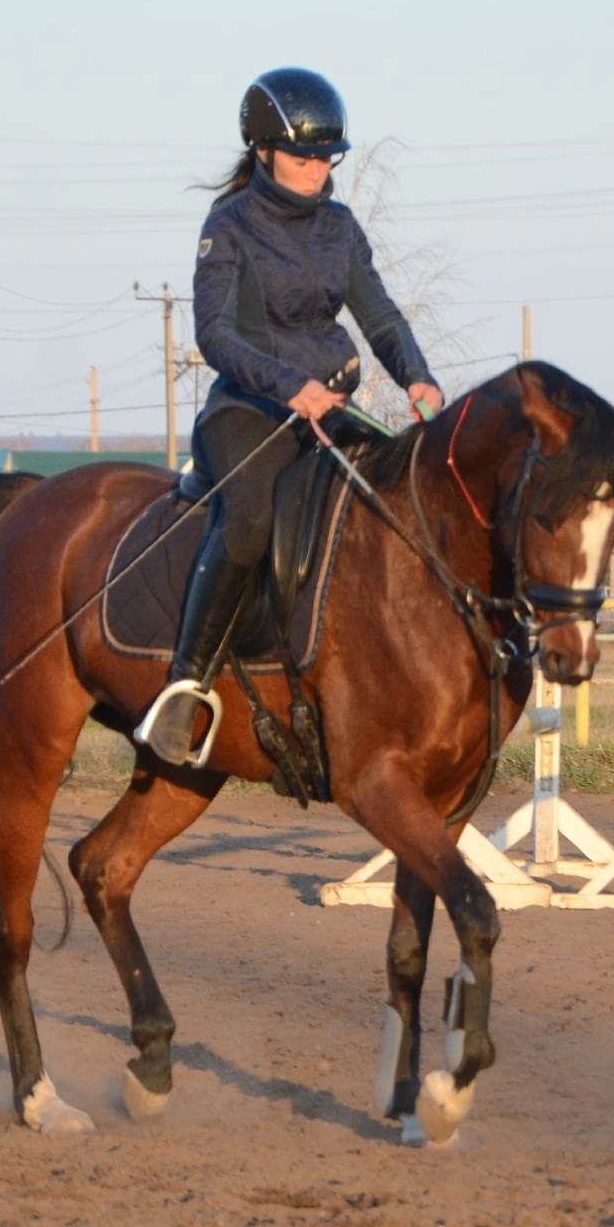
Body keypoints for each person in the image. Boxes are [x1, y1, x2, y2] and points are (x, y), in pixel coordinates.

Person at [133, 68, 445, 766]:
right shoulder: (229, 227)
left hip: (331, 410)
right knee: (247, 524)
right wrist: (289, 384)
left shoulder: (340, 227)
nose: (318, 169)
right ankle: (187, 684)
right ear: (265, 149)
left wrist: (417, 375)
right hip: (250, 410)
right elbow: (216, 335)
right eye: (304, 156)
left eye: (327, 156)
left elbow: (381, 315)